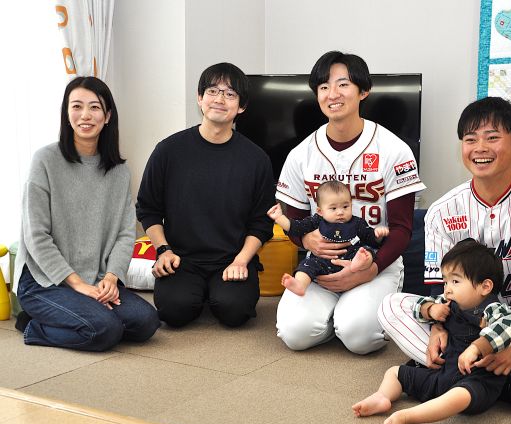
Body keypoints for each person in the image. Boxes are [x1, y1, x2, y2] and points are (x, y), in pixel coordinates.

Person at [378, 96, 511, 380]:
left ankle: (461, 367)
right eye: (470, 139)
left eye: (492, 137)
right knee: (390, 305)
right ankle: (485, 370)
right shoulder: (442, 209)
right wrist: (437, 327)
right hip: (464, 323)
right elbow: (440, 286)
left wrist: (508, 340)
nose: (480, 148)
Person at [275, 51, 426, 354]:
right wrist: (305, 239)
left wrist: (372, 270)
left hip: (375, 261)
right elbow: (296, 223)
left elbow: (401, 228)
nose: (332, 94)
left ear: (363, 91)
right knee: (294, 334)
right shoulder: (301, 154)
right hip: (320, 263)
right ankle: (335, 319)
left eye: (343, 84)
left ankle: (347, 319)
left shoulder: (394, 149)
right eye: (324, 87)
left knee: (359, 338)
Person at [13, 76, 160, 351]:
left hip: (95, 277)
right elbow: (36, 236)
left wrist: (111, 279)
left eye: (94, 107)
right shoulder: (45, 160)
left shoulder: (119, 172)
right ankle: (34, 326)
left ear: (107, 116)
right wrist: (78, 284)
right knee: (105, 330)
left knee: (146, 322)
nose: (85, 115)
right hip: (44, 281)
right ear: (66, 113)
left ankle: (74, 316)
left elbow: (125, 234)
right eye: (77, 106)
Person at [136, 63, 275, 328]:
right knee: (174, 311)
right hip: (181, 258)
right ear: (200, 99)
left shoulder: (256, 159)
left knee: (234, 311)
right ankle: (196, 292)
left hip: (232, 257)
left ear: (242, 106)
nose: (220, 99)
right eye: (212, 91)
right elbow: (148, 208)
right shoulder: (168, 151)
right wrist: (163, 250)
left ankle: (215, 292)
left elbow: (262, 222)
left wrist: (242, 261)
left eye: (230, 94)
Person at [353, 240, 511, 424]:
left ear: (485, 287)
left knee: (457, 397)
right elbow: (418, 305)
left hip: (477, 380)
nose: (447, 289)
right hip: (444, 373)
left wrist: (476, 348)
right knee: (394, 372)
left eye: (455, 282)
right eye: (445, 281)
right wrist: (430, 309)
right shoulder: (449, 301)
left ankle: (408, 416)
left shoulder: (493, 309)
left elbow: (510, 323)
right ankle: (382, 396)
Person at [267, 180, 389, 296]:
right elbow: (296, 227)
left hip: (351, 259)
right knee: (306, 265)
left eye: (345, 207)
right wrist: (279, 218)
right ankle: (300, 285)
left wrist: (377, 235)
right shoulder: (316, 221)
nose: (340, 212)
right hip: (323, 261)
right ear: (320, 211)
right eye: (333, 208)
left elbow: (370, 238)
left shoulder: (357, 223)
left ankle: (359, 264)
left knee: (367, 251)